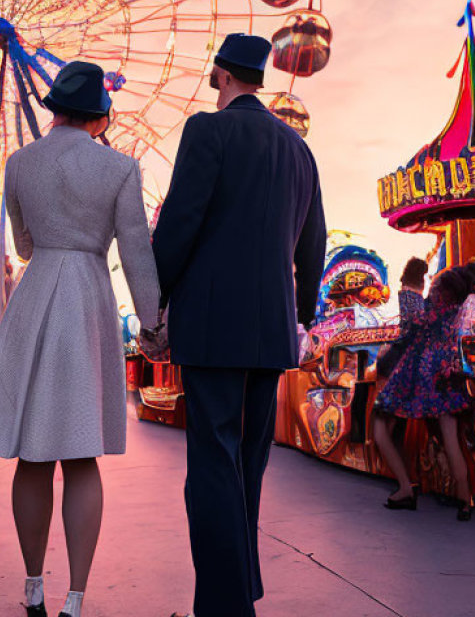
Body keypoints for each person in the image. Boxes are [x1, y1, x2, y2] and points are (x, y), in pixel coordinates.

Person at [0, 61, 159, 617]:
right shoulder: (120, 168)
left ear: (54, 108)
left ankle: (31, 586)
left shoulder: (19, 163)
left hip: (37, 290)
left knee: (32, 455)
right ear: (102, 113)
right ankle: (75, 596)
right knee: (81, 453)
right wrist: (152, 323)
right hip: (88, 300)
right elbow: (137, 252)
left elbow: (22, 245)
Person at [149, 34, 326, 617]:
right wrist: (298, 317)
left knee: (211, 468)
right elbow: (312, 247)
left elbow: (180, 221)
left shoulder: (208, 131)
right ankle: (239, 592)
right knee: (248, 464)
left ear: (224, 77)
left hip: (212, 324)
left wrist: (157, 297)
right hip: (271, 332)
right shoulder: (299, 150)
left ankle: (224, 608)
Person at [372, 266, 475, 520]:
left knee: (380, 425)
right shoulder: (457, 313)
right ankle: (465, 500)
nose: (432, 286)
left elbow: (407, 329)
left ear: (442, 290)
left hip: (416, 374)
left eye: (436, 284)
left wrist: (408, 292)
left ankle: (406, 488)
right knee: (451, 439)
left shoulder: (427, 312)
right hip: (445, 376)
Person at [376, 257, 428, 379]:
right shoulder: (424, 308)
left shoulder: (390, 302)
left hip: (385, 368)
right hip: (403, 370)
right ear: (423, 282)